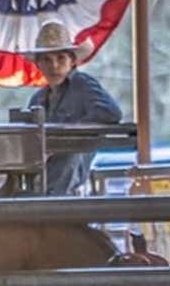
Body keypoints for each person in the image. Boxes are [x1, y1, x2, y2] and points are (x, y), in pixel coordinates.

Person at [23, 21, 123, 196]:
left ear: (72, 61)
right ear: (38, 65)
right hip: (42, 178)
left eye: (61, 58)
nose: (54, 66)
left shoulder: (82, 84)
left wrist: (70, 135)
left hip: (71, 183)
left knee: (70, 156)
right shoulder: (37, 99)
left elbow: (111, 113)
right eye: (46, 59)